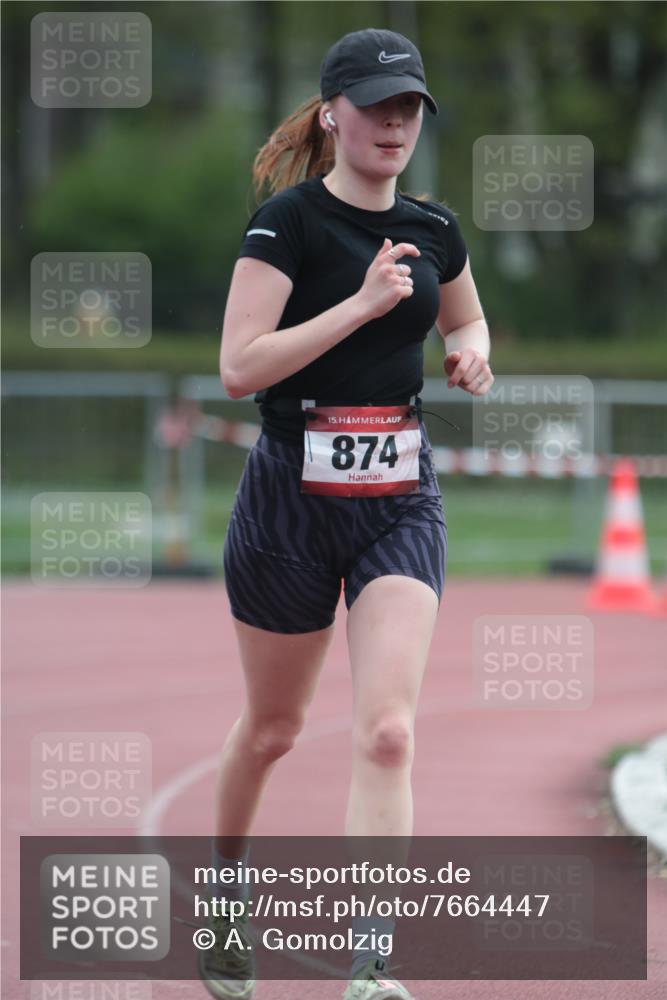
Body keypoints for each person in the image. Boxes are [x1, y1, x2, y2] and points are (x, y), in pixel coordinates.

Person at [200, 26, 494, 1000]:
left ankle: (371, 962)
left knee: (387, 733)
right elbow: (239, 369)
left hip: (396, 498)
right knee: (274, 729)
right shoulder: (287, 225)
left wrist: (471, 352)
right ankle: (225, 891)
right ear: (331, 114)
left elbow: (462, 312)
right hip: (289, 498)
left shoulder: (435, 227)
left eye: (408, 107)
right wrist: (360, 308)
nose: (393, 123)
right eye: (375, 105)